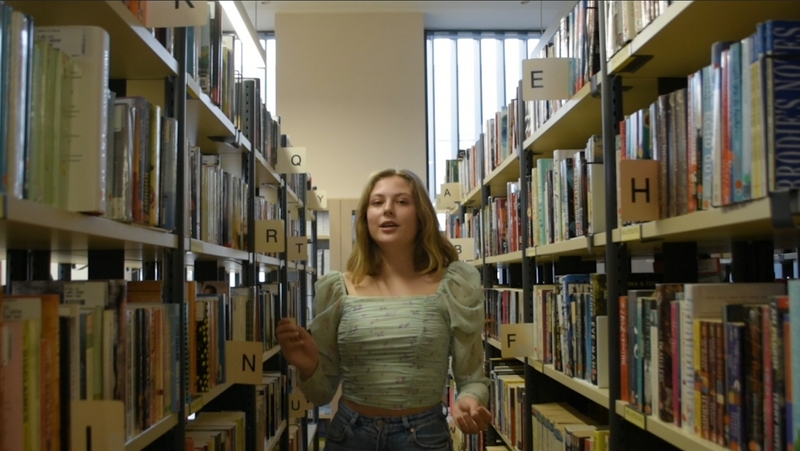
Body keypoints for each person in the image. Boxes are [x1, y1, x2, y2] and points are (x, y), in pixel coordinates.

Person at [277, 168, 491, 451]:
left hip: (423, 438)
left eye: (402, 201)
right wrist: (308, 366)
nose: (388, 209)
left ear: (421, 215)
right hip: (349, 437)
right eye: (377, 202)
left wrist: (469, 400)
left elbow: (472, 379)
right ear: (366, 217)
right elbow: (321, 394)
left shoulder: (453, 286)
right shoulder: (337, 290)